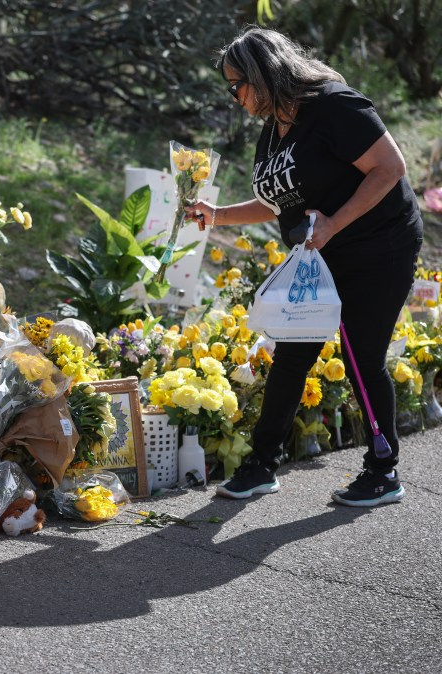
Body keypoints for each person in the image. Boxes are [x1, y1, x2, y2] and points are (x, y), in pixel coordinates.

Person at [187, 27, 423, 507]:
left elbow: (389, 168)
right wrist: (217, 217)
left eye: (237, 85)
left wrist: (334, 223)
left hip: (380, 247)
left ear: (263, 75)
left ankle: (383, 471)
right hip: (319, 258)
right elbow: (276, 201)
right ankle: (260, 466)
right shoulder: (273, 128)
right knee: (293, 354)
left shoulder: (335, 106)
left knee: (361, 355)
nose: (234, 97)